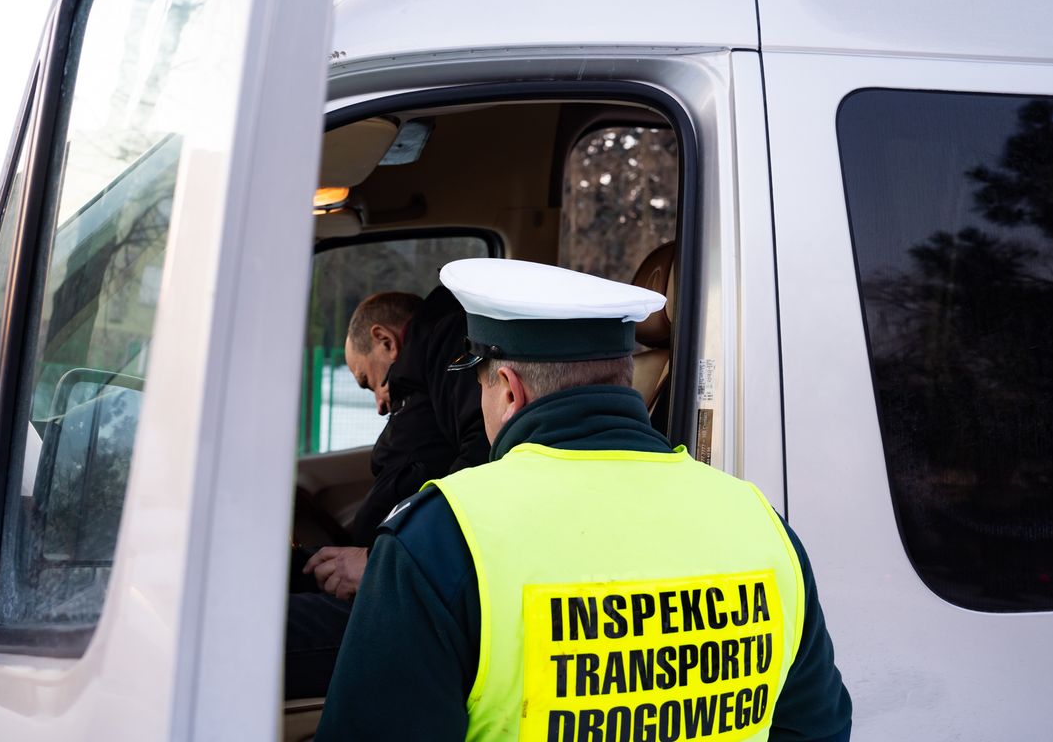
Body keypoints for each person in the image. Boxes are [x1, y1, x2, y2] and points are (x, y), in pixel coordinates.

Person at [317, 259, 853, 740]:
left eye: (478, 386)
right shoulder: (761, 526)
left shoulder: (443, 537)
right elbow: (817, 729)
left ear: (507, 389)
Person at [285, 286, 489, 699]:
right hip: (390, 575)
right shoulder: (425, 383)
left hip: (407, 593)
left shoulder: (445, 341)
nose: (378, 403)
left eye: (369, 382)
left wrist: (381, 563)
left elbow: (483, 465)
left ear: (385, 340)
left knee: (253, 628)